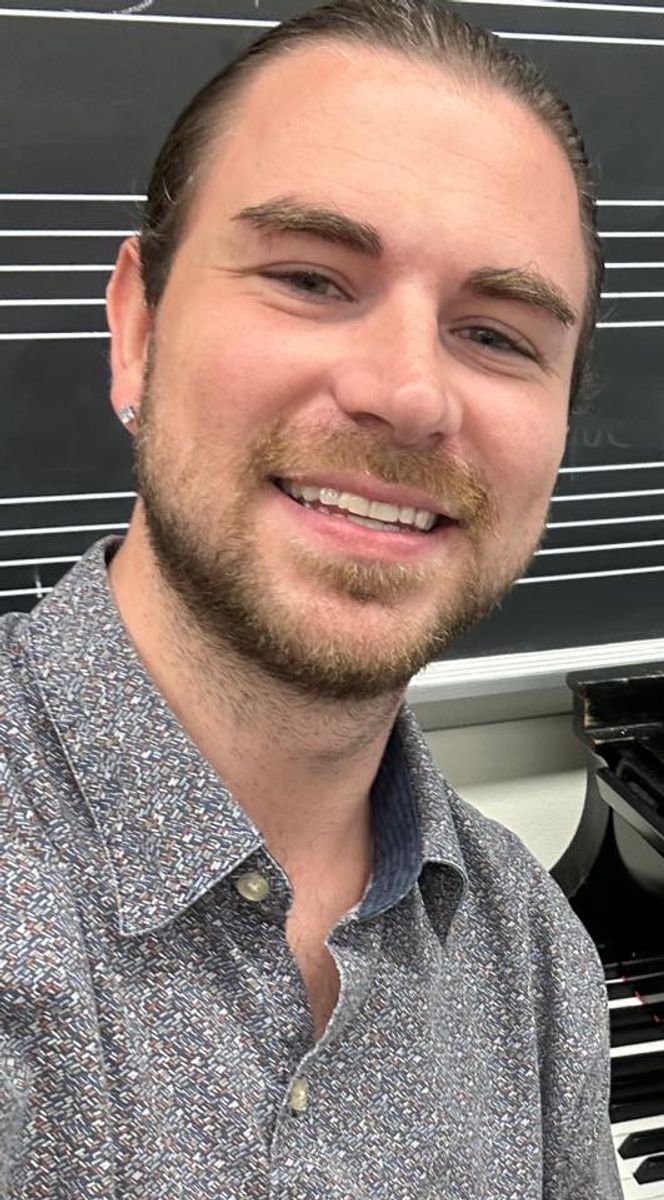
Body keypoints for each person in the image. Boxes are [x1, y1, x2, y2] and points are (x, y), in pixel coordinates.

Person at [0, 1, 620, 1195]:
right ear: (138, 328)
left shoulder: (537, 959)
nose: (408, 392)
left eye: (498, 335)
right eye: (309, 277)